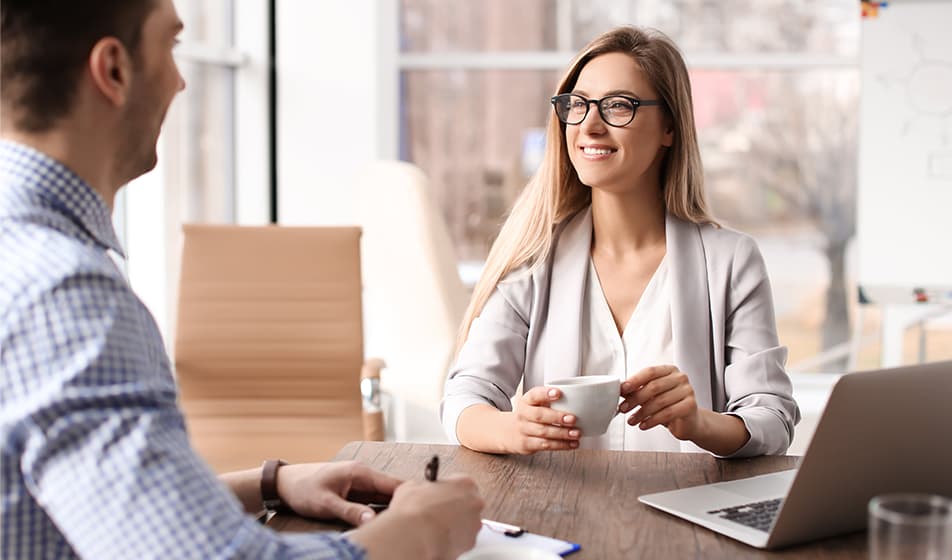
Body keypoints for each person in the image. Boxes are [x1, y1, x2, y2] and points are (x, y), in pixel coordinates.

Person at [0, 1, 483, 558]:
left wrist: (269, 485)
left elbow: (76, 508)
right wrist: (423, 529)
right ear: (113, 70)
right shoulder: (65, 296)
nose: (180, 82)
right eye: (170, 46)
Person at [442, 26, 800, 458]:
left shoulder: (732, 261)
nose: (589, 125)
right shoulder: (534, 257)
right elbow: (464, 399)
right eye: (577, 105)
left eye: (617, 106)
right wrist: (512, 429)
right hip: (557, 515)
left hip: (683, 513)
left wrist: (699, 422)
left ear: (669, 126)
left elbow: (772, 418)